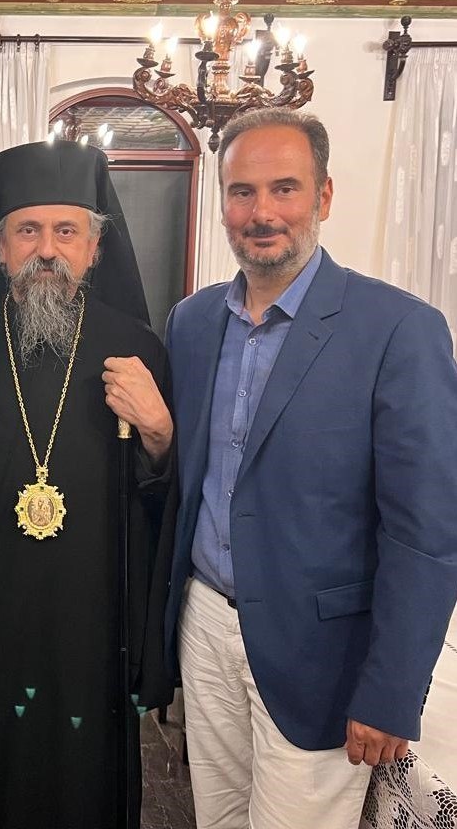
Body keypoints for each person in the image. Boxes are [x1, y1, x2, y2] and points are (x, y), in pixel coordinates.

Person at [164, 108, 457, 829]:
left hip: (321, 650)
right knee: (216, 818)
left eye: (284, 188)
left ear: (323, 195)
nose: (261, 213)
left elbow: (425, 531)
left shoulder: (398, 330)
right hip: (205, 624)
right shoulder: (191, 323)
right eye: (241, 191)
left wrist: (393, 689)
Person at [0, 139, 176, 829]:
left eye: (66, 231)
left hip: (93, 620)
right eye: (28, 230)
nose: (47, 250)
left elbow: (165, 498)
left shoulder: (137, 350)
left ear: (95, 247)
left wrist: (158, 434)